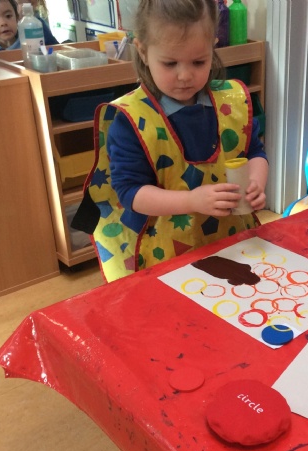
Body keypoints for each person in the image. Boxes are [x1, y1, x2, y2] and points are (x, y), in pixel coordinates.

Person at [77, 0, 268, 283]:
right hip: (166, 258)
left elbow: (254, 152)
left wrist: (256, 183)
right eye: (170, 63)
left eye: (199, 62)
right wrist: (191, 200)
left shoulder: (231, 103)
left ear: (213, 47)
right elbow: (130, 192)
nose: (185, 75)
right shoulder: (131, 121)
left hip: (231, 245)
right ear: (143, 51)